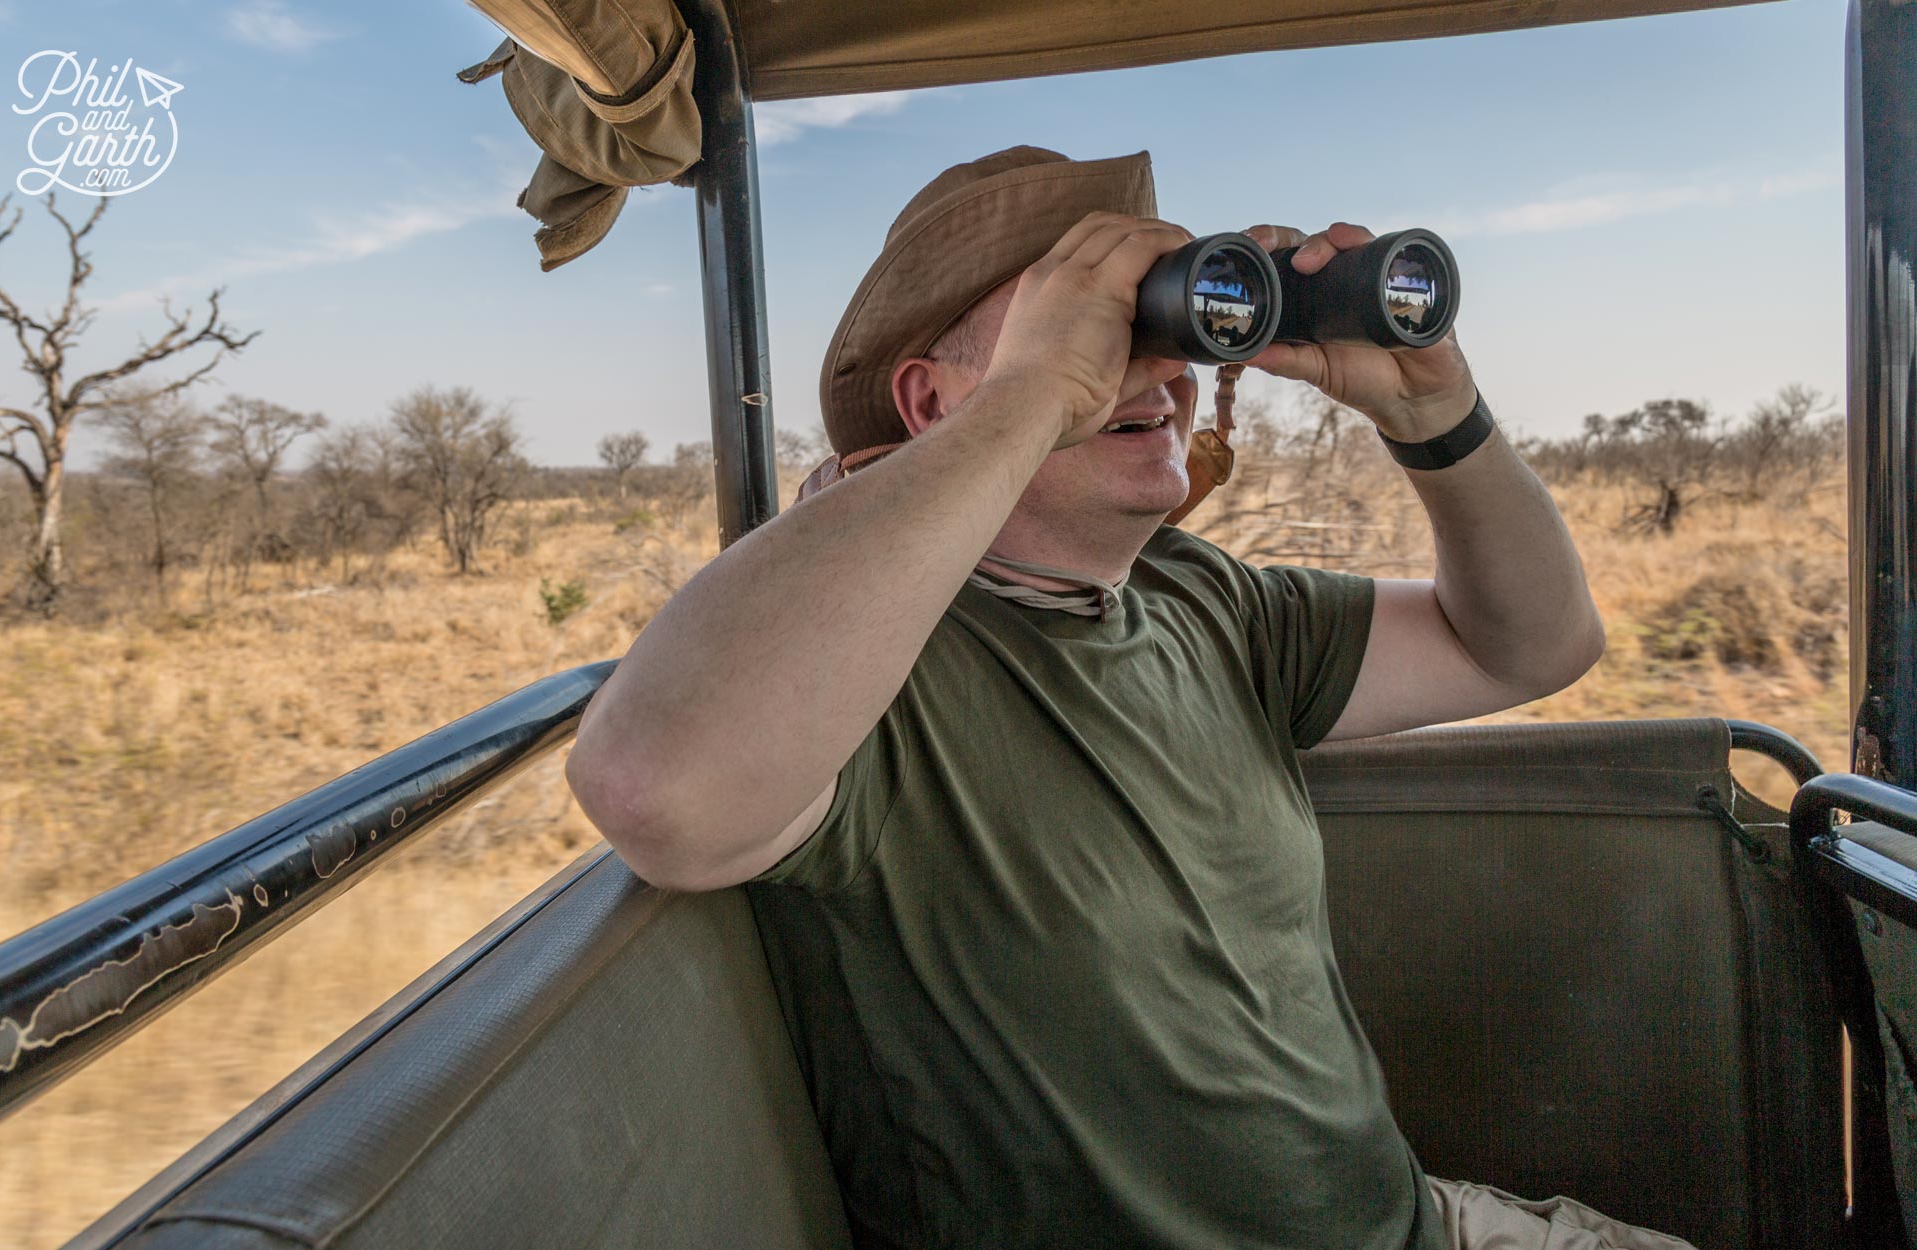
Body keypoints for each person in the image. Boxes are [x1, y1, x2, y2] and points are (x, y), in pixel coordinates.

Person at [565, 146, 1693, 1250]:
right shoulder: (862, 667)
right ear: (928, 399)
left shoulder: (1203, 599)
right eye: (1082, 330)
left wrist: (1433, 410)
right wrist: (1034, 395)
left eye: (1158, 325)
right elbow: (657, 788)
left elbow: (1532, 645)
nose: (1150, 369)